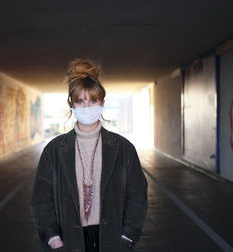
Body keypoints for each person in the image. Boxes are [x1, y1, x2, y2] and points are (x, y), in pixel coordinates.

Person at [30, 59, 147, 252]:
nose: (87, 107)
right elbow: (41, 198)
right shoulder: (54, 150)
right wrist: (52, 237)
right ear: (71, 103)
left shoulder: (123, 148)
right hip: (68, 239)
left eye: (93, 101)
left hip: (112, 238)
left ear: (102, 102)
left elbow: (137, 195)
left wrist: (127, 236)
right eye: (80, 101)